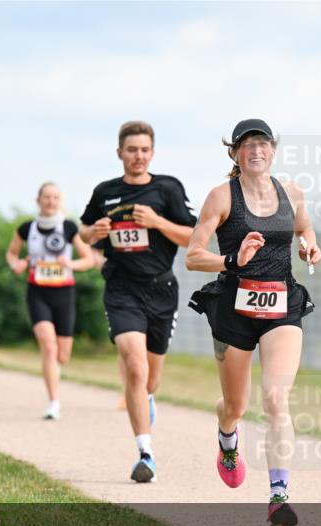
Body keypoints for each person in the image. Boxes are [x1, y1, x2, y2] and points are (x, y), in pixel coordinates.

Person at [186, 119, 321, 526]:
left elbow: (304, 226)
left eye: (262, 143)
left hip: (282, 304)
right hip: (235, 308)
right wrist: (233, 261)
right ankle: (228, 441)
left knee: (277, 399)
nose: (256, 150)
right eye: (247, 145)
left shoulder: (292, 192)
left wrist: (310, 245)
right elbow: (193, 255)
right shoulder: (221, 197)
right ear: (235, 154)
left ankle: (279, 497)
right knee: (236, 406)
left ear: (273, 150)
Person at [79, 120, 197, 483]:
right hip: (121, 288)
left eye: (144, 150)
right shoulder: (105, 192)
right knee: (134, 365)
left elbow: (192, 236)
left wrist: (158, 221)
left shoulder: (168, 188)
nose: (138, 156)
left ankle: (144, 403)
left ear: (153, 153)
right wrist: (92, 233)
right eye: (132, 150)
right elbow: (83, 232)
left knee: (150, 380)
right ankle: (145, 453)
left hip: (161, 290)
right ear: (120, 153)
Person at [6, 182, 96, 420]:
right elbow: (12, 253)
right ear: (38, 200)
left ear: (60, 201)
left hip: (64, 293)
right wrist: (17, 264)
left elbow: (88, 260)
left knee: (63, 355)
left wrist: (71, 264)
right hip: (37, 292)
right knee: (48, 345)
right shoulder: (27, 228)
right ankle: (53, 402)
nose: (50, 201)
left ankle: (54, 379)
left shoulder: (68, 227)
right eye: (46, 197)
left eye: (55, 197)